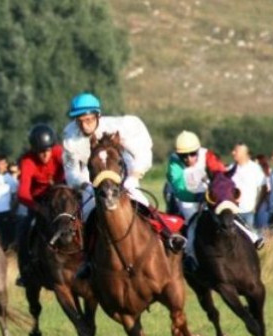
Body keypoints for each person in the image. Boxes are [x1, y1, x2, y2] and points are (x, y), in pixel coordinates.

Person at [62, 92, 186, 277]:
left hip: (123, 171)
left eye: (88, 119)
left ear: (98, 116)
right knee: (87, 212)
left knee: (139, 199)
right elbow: (72, 171)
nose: (84, 124)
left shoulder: (118, 127)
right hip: (93, 180)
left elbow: (141, 153)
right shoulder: (70, 136)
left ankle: (168, 235)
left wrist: (134, 175)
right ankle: (88, 259)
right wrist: (85, 186)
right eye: (80, 121)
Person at [166, 131, 263, 270]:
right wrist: (197, 197)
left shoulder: (207, 155)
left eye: (192, 154)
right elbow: (179, 187)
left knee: (227, 213)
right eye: (184, 156)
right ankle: (190, 255)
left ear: (198, 150)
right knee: (192, 221)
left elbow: (221, 174)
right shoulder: (174, 162)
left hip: (210, 193)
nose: (188, 159)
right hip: (187, 198)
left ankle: (252, 236)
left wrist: (218, 193)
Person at [16, 124, 65, 283]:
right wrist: (38, 208)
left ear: (53, 147)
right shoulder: (27, 161)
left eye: (47, 151)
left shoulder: (60, 152)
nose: (44, 155)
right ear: (34, 150)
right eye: (40, 152)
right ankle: (25, 271)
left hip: (61, 196)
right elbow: (23, 193)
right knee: (24, 230)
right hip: (38, 201)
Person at [229, 143, 266, 230]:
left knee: (250, 237)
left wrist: (256, 207)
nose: (233, 153)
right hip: (234, 211)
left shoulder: (255, 168)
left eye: (236, 151)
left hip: (249, 211)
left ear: (243, 153)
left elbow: (263, 188)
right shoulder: (231, 168)